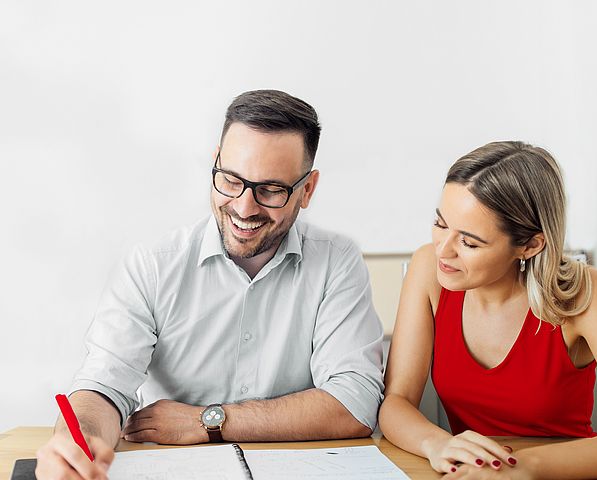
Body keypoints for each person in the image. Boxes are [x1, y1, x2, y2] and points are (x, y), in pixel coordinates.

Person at [35, 90, 384, 479]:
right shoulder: (152, 266)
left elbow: (355, 403)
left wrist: (207, 421)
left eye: (270, 190)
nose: (244, 207)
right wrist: (78, 441)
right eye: (231, 180)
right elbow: (103, 387)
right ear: (216, 161)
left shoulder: (336, 261)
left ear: (307, 190)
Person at [379, 141, 597, 479]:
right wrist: (436, 444)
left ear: (529, 245)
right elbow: (396, 402)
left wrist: (521, 469)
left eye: (469, 242)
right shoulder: (429, 269)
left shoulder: (584, 293)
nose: (444, 250)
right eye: (440, 224)